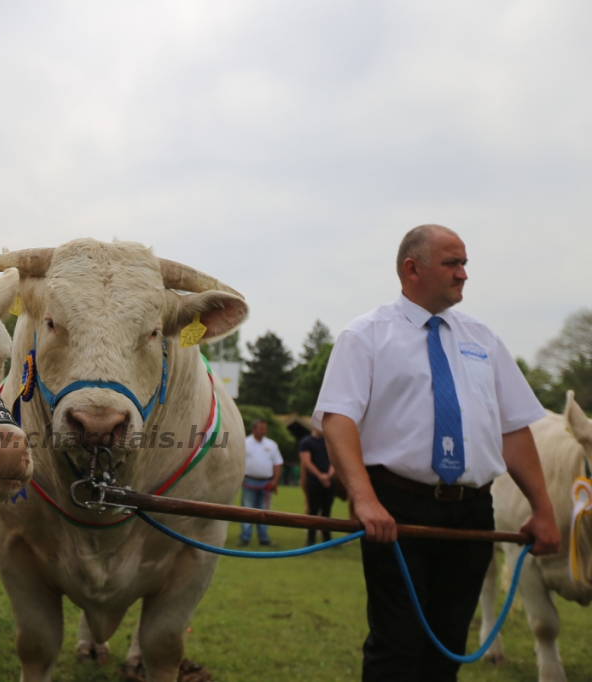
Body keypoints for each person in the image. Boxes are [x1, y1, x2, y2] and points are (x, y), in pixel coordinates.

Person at [314, 224, 560, 681]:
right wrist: (364, 498)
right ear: (413, 268)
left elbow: (514, 430)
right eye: (453, 263)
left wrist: (543, 509)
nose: (464, 274)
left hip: (472, 512)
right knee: (397, 645)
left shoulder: (484, 340)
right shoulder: (366, 335)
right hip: (396, 509)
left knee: (447, 647)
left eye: (465, 263)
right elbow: (338, 420)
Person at [239, 419, 283, 547]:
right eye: (261, 428)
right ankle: (245, 537)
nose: (264, 431)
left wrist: (275, 480)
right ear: (254, 429)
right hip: (249, 481)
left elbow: (278, 463)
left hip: (266, 483)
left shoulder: (272, 445)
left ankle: (263, 538)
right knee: (247, 510)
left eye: (265, 428)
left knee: (264, 512)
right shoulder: (245, 443)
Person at [299, 427, 334, 546]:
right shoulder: (306, 442)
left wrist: (328, 475)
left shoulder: (329, 442)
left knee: (327, 511)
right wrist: (320, 476)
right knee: (313, 510)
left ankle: (327, 539)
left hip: (329, 481)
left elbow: (334, 460)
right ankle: (311, 539)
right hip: (313, 482)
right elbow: (306, 462)